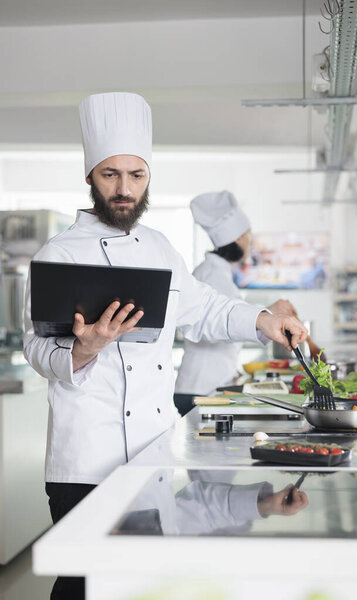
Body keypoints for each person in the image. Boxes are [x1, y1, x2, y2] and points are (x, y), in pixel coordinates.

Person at [23, 92, 307, 599]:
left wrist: (264, 320)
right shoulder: (58, 252)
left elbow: (206, 309)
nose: (125, 189)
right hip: (85, 464)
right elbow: (36, 348)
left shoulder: (159, 248)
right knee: (86, 585)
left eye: (137, 175)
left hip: (153, 452)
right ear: (90, 176)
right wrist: (84, 348)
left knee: (140, 581)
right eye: (111, 175)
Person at [175, 190, 297, 402]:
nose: (250, 241)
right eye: (248, 234)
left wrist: (268, 314)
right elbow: (217, 323)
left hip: (207, 384)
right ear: (238, 238)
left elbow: (226, 318)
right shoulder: (213, 275)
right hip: (201, 388)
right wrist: (267, 315)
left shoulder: (216, 272)